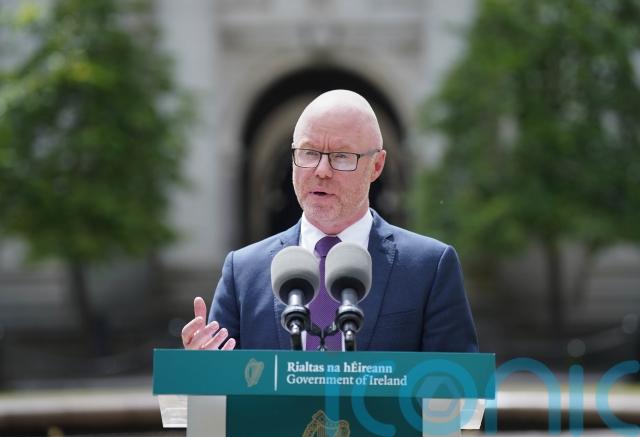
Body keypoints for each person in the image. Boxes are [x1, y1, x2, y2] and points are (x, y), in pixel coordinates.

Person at [181, 89, 478, 353]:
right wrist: (200, 369)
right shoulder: (243, 272)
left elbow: (456, 387)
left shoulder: (429, 267)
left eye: (341, 156)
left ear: (376, 165)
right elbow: (216, 389)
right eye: (309, 153)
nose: (322, 170)